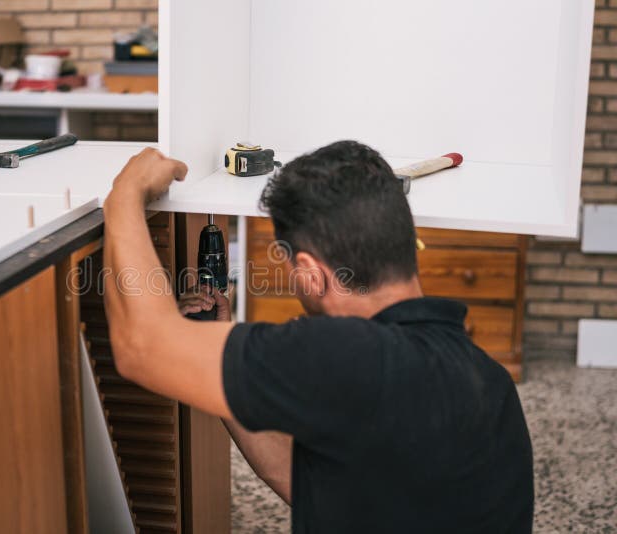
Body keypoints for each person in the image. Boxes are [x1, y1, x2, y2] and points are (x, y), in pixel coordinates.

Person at [102, 140, 534, 533]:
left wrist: (125, 195)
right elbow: (299, 476)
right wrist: (221, 351)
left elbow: (141, 345)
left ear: (310, 273)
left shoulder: (344, 355)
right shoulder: (488, 379)